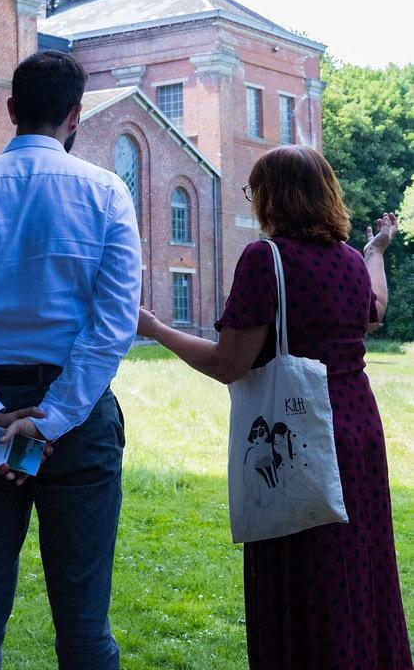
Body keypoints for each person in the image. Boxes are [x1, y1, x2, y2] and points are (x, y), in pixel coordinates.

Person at [0, 50, 142, 670]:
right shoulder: (107, 193)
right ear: (76, 115)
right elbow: (114, 321)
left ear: (11, 109)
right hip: (77, 424)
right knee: (84, 619)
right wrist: (51, 419)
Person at [138, 145, 412, 670]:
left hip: (297, 432)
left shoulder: (266, 260)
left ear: (271, 197)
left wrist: (155, 329)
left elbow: (228, 363)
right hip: (358, 429)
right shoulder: (349, 260)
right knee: (359, 561)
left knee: (304, 568)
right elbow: (374, 311)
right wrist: (376, 251)